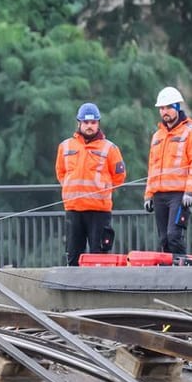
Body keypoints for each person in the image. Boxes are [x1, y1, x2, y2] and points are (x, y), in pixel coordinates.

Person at [55, 102, 127, 265]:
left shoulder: (110, 148)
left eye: (93, 122)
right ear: (79, 123)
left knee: (99, 258)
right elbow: (60, 172)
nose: (89, 126)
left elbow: (119, 176)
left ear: (98, 124)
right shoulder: (65, 146)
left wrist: (101, 191)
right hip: (74, 209)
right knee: (73, 256)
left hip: (99, 210)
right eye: (86, 122)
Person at [144, 87, 192, 255]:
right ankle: (167, 275)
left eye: (168, 107)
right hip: (159, 195)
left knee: (174, 235)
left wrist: (190, 191)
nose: (164, 112)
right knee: (164, 239)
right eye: (162, 108)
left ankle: (182, 271)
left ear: (178, 107)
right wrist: (148, 194)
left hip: (179, 195)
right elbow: (152, 166)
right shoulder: (157, 136)